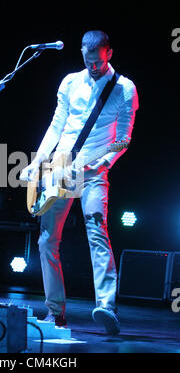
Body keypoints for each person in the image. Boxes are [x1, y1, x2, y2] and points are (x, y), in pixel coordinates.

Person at [20, 30, 139, 334]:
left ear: (109, 53)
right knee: (47, 239)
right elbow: (57, 124)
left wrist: (103, 162)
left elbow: (124, 138)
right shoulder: (71, 82)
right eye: (88, 62)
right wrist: (37, 161)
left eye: (97, 62)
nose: (93, 67)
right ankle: (55, 312)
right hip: (61, 170)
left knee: (96, 232)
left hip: (95, 172)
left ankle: (107, 308)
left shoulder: (125, 89)